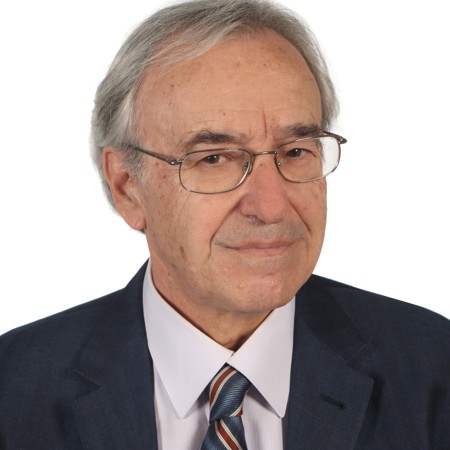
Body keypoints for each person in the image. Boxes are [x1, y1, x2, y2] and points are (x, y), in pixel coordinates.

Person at [1, 0, 449, 448]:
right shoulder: (14, 389)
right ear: (127, 187)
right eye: (214, 159)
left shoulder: (432, 368)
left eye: (296, 151)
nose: (271, 206)